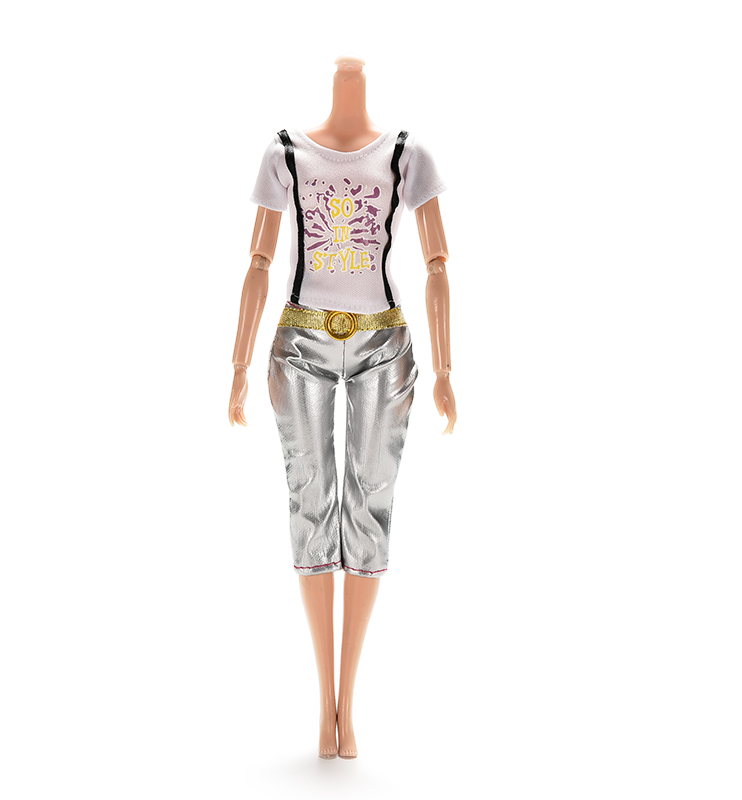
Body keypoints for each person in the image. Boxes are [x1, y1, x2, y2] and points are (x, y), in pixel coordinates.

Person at [229, 55, 456, 759]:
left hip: (383, 343)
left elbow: (438, 263)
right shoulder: (285, 153)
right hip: (301, 341)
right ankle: (322, 701)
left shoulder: (407, 153)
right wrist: (238, 365)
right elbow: (258, 262)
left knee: (370, 504)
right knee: (311, 500)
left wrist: (445, 369)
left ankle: (346, 705)